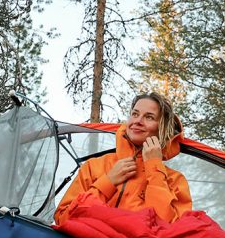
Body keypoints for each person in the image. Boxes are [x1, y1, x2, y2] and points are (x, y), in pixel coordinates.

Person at [54, 92, 192, 225]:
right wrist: (108, 182)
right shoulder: (94, 166)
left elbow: (168, 233)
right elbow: (64, 217)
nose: (138, 121)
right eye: (135, 114)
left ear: (162, 128)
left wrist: (155, 170)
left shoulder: (175, 181)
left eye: (149, 117)